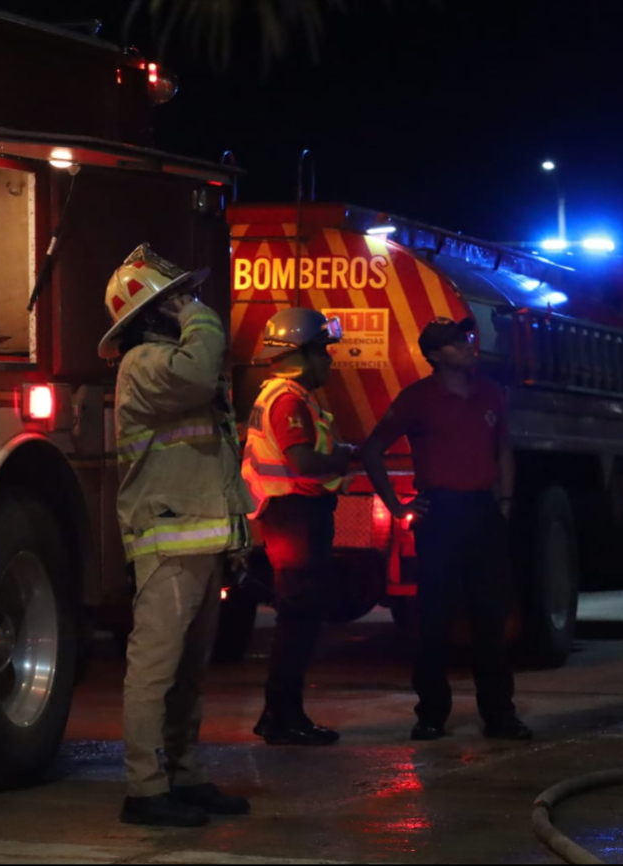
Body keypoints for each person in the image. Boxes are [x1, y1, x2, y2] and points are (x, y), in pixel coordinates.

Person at [100, 243, 254, 828]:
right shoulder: (144, 365)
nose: (189, 304)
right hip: (170, 543)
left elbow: (213, 459)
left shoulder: (166, 365)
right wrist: (202, 315)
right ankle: (144, 789)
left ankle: (185, 775)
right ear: (154, 312)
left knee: (189, 671)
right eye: (176, 298)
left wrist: (236, 536)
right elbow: (198, 370)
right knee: (155, 669)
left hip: (199, 541)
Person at [361, 316, 531, 743]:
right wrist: (397, 505)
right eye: (455, 344)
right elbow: (373, 449)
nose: (467, 347)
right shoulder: (418, 398)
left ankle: (500, 714)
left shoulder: (490, 393)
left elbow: (503, 448)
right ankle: (431, 715)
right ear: (435, 356)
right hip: (440, 514)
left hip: (482, 512)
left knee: (490, 619)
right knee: (433, 619)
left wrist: (505, 502)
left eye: (466, 340)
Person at [242, 308, 356, 746]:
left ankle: (280, 714)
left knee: (298, 618)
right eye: (323, 352)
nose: (329, 361)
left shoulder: (282, 395)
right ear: (300, 355)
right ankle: (283, 717)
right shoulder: (288, 399)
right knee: (299, 620)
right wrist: (342, 457)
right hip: (295, 516)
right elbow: (303, 463)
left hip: (291, 516)